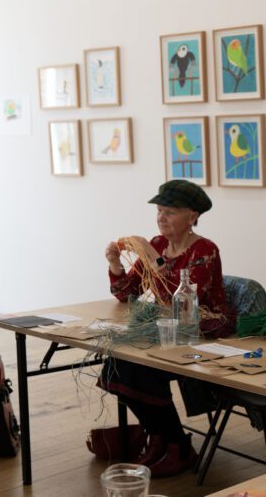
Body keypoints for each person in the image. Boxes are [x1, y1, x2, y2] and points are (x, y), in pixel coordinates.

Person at [100, 179, 236, 478]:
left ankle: (178, 446)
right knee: (117, 363)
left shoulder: (204, 250)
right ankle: (158, 437)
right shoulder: (160, 245)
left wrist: (151, 258)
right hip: (168, 334)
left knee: (142, 369)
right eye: (159, 210)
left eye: (170, 211)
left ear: (193, 216)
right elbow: (126, 293)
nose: (161, 218)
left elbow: (181, 302)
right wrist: (115, 264)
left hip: (202, 335)